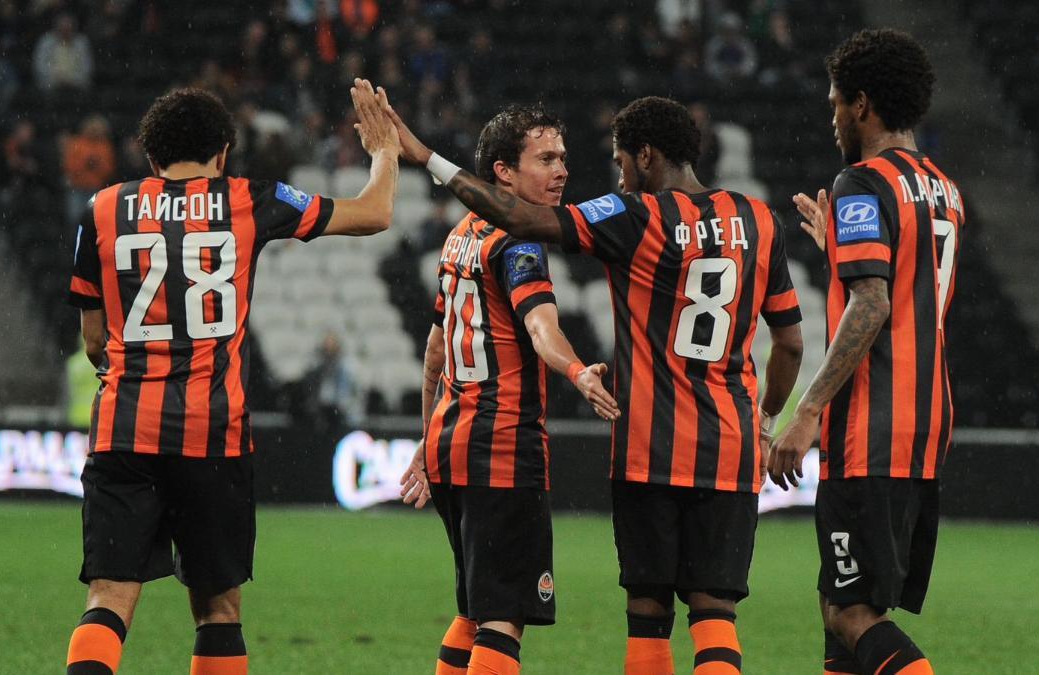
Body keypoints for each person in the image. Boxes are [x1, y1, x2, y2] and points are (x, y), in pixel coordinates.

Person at [389, 95, 804, 675]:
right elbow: (790, 344)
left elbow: (524, 228)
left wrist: (425, 157)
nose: (614, 174)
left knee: (643, 611)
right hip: (728, 446)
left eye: (619, 160)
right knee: (714, 616)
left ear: (646, 156)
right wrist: (766, 421)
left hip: (645, 447)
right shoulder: (761, 219)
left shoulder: (632, 215)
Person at [62, 80, 399, 675]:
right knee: (218, 610)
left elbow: (94, 341)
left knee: (109, 599)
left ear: (150, 156)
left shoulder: (102, 209)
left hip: (123, 432)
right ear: (223, 152)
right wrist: (386, 151)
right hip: (212, 435)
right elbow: (374, 213)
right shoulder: (247, 198)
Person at [398, 105, 619, 675]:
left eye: (563, 158)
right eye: (545, 159)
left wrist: (427, 441)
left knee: (476, 606)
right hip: (501, 448)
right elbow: (543, 328)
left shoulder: (457, 239)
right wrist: (578, 373)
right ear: (503, 172)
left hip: (452, 445)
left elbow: (434, 354)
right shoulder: (516, 244)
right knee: (503, 615)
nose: (562, 171)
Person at [772, 28, 964, 675]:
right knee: (839, 605)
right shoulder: (944, 189)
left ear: (861, 105)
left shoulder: (862, 181)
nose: (831, 119)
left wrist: (806, 409)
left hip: (870, 429)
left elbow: (874, 304)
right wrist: (841, 252)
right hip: (925, 424)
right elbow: (909, 293)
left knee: (850, 612)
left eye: (833, 104)